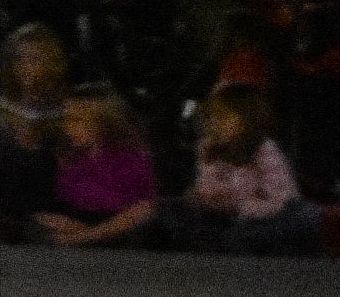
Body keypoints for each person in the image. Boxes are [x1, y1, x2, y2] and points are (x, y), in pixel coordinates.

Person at [167, 83, 321, 254]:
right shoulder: (209, 149)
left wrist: (239, 207)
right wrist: (202, 197)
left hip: (272, 215)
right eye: (211, 118)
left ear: (245, 121)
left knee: (245, 235)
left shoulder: (264, 150)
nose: (214, 124)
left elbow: (277, 199)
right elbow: (210, 188)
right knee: (171, 212)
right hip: (228, 213)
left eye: (223, 118)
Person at [32, 85, 159, 247]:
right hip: (76, 219)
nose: (67, 127)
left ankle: (87, 238)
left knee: (144, 213)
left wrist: (87, 233)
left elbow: (142, 208)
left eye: (76, 120)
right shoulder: (70, 158)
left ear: (103, 122)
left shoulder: (132, 159)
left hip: (119, 226)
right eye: (67, 119)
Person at [0, 24, 70, 237]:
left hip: (48, 179)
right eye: (19, 59)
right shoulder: (1, 103)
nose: (24, 66)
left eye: (34, 59)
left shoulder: (66, 104)